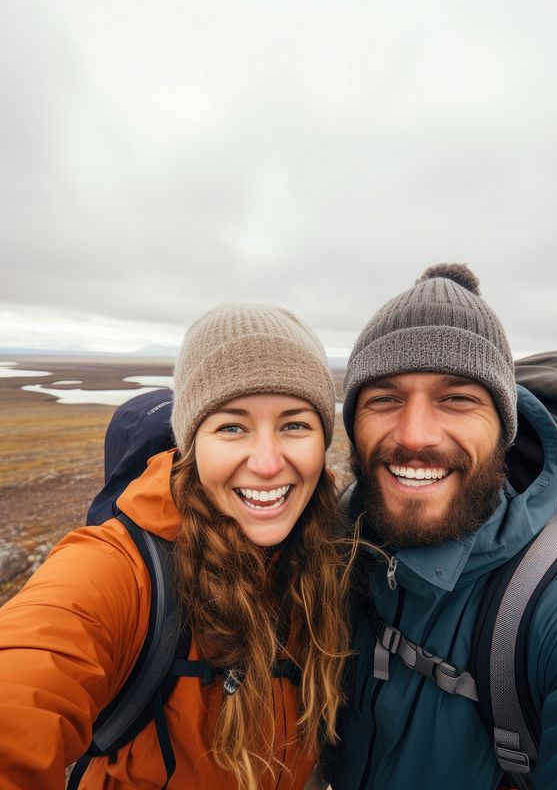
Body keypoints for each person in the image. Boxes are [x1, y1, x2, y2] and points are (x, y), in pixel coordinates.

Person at [0, 304, 352, 790]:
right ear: (190, 443)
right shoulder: (121, 568)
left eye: (294, 425)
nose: (269, 464)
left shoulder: (339, 551)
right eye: (232, 426)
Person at [324, 263, 557, 790]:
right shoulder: (332, 549)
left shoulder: (548, 611)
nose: (414, 435)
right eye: (384, 399)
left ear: (505, 427)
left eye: (458, 399)